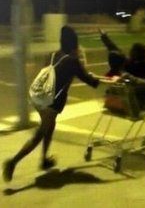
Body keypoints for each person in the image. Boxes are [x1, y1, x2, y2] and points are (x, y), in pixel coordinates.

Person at [2, 25, 115, 182]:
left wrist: (80, 66)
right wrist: (111, 81)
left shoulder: (53, 54)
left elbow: (55, 73)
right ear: (74, 44)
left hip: (38, 96)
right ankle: (12, 162)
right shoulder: (73, 61)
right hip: (50, 102)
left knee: (50, 125)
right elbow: (91, 82)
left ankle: (44, 160)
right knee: (40, 134)